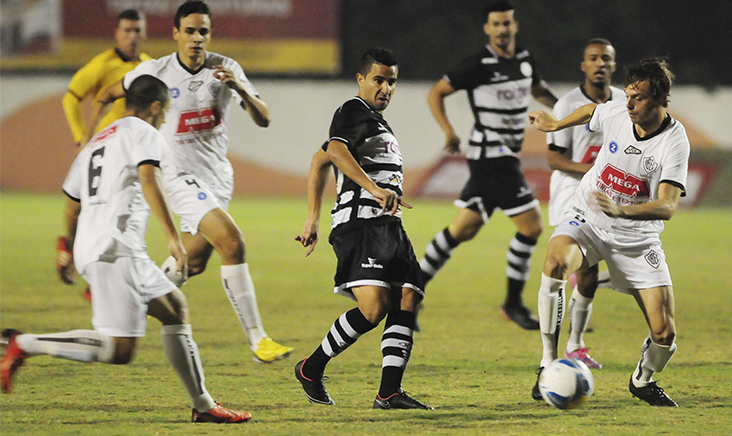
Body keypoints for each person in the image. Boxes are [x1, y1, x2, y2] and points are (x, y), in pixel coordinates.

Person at [0, 75, 250, 423]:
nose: (164, 119)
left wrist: (70, 247)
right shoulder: (144, 132)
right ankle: (23, 343)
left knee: (175, 309)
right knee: (119, 350)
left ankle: (203, 405)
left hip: (105, 246)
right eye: (165, 112)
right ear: (155, 107)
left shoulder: (97, 141)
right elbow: (148, 179)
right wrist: (173, 237)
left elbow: (72, 204)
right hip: (115, 248)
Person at [83, 1, 291, 364]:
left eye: (203, 31)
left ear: (210, 34)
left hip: (217, 179)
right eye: (190, 31)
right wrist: (92, 139)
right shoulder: (156, 70)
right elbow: (107, 94)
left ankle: (128, 298)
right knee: (233, 243)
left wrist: (239, 89)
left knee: (192, 264)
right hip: (177, 177)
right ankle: (259, 340)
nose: (197, 38)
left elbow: (265, 119)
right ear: (176, 33)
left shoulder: (225, 68)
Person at [529, 57, 688, 407]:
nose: (628, 104)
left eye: (638, 98)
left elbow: (668, 205)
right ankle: (547, 363)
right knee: (555, 265)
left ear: (662, 99)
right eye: (628, 95)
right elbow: (592, 111)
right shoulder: (618, 113)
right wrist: (556, 124)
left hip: (637, 239)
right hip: (588, 218)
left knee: (665, 334)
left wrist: (622, 210)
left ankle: (642, 381)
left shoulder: (674, 141)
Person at [294, 48, 433, 410]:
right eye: (378, 80)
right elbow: (334, 150)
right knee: (373, 308)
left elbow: (318, 160)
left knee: (408, 295)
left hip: (388, 224)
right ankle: (311, 368)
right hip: (361, 223)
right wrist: (373, 188)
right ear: (361, 79)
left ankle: (389, 393)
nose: (386, 88)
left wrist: (312, 217)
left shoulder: (374, 121)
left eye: (392, 82)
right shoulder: (353, 110)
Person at [419, 0, 558, 330]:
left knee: (463, 228)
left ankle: (409, 289)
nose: (502, 29)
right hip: (491, 157)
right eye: (496, 24)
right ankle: (512, 304)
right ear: (487, 28)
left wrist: (569, 112)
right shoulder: (477, 64)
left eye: (507, 23)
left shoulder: (524, 59)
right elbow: (435, 93)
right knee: (532, 226)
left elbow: (538, 89)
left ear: (515, 25)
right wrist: (449, 131)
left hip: (502, 157)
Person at [58, 9, 150, 301]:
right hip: (104, 148)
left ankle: (96, 279)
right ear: (117, 33)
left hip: (131, 153)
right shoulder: (103, 65)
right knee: (78, 209)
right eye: (127, 30)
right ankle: (72, 247)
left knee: (117, 215)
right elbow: (71, 98)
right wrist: (80, 137)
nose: (132, 36)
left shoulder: (149, 65)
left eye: (137, 30)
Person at [545, 38, 625, 369]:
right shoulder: (567, 104)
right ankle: (564, 349)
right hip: (571, 194)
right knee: (579, 269)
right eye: (593, 58)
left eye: (605, 58)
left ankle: (574, 344)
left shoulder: (624, 101)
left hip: (605, 197)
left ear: (613, 65)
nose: (600, 64)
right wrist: (594, 171)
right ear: (583, 65)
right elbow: (554, 158)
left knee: (590, 275)